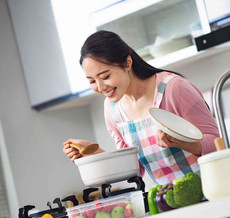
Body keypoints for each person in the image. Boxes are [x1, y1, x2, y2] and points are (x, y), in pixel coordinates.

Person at [63, 30, 219, 185]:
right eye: (92, 81)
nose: (100, 87)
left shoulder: (174, 88)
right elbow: (134, 169)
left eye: (105, 77)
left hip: (211, 190)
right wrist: (93, 153)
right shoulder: (112, 109)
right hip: (167, 201)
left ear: (127, 63)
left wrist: (183, 143)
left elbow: (217, 143)